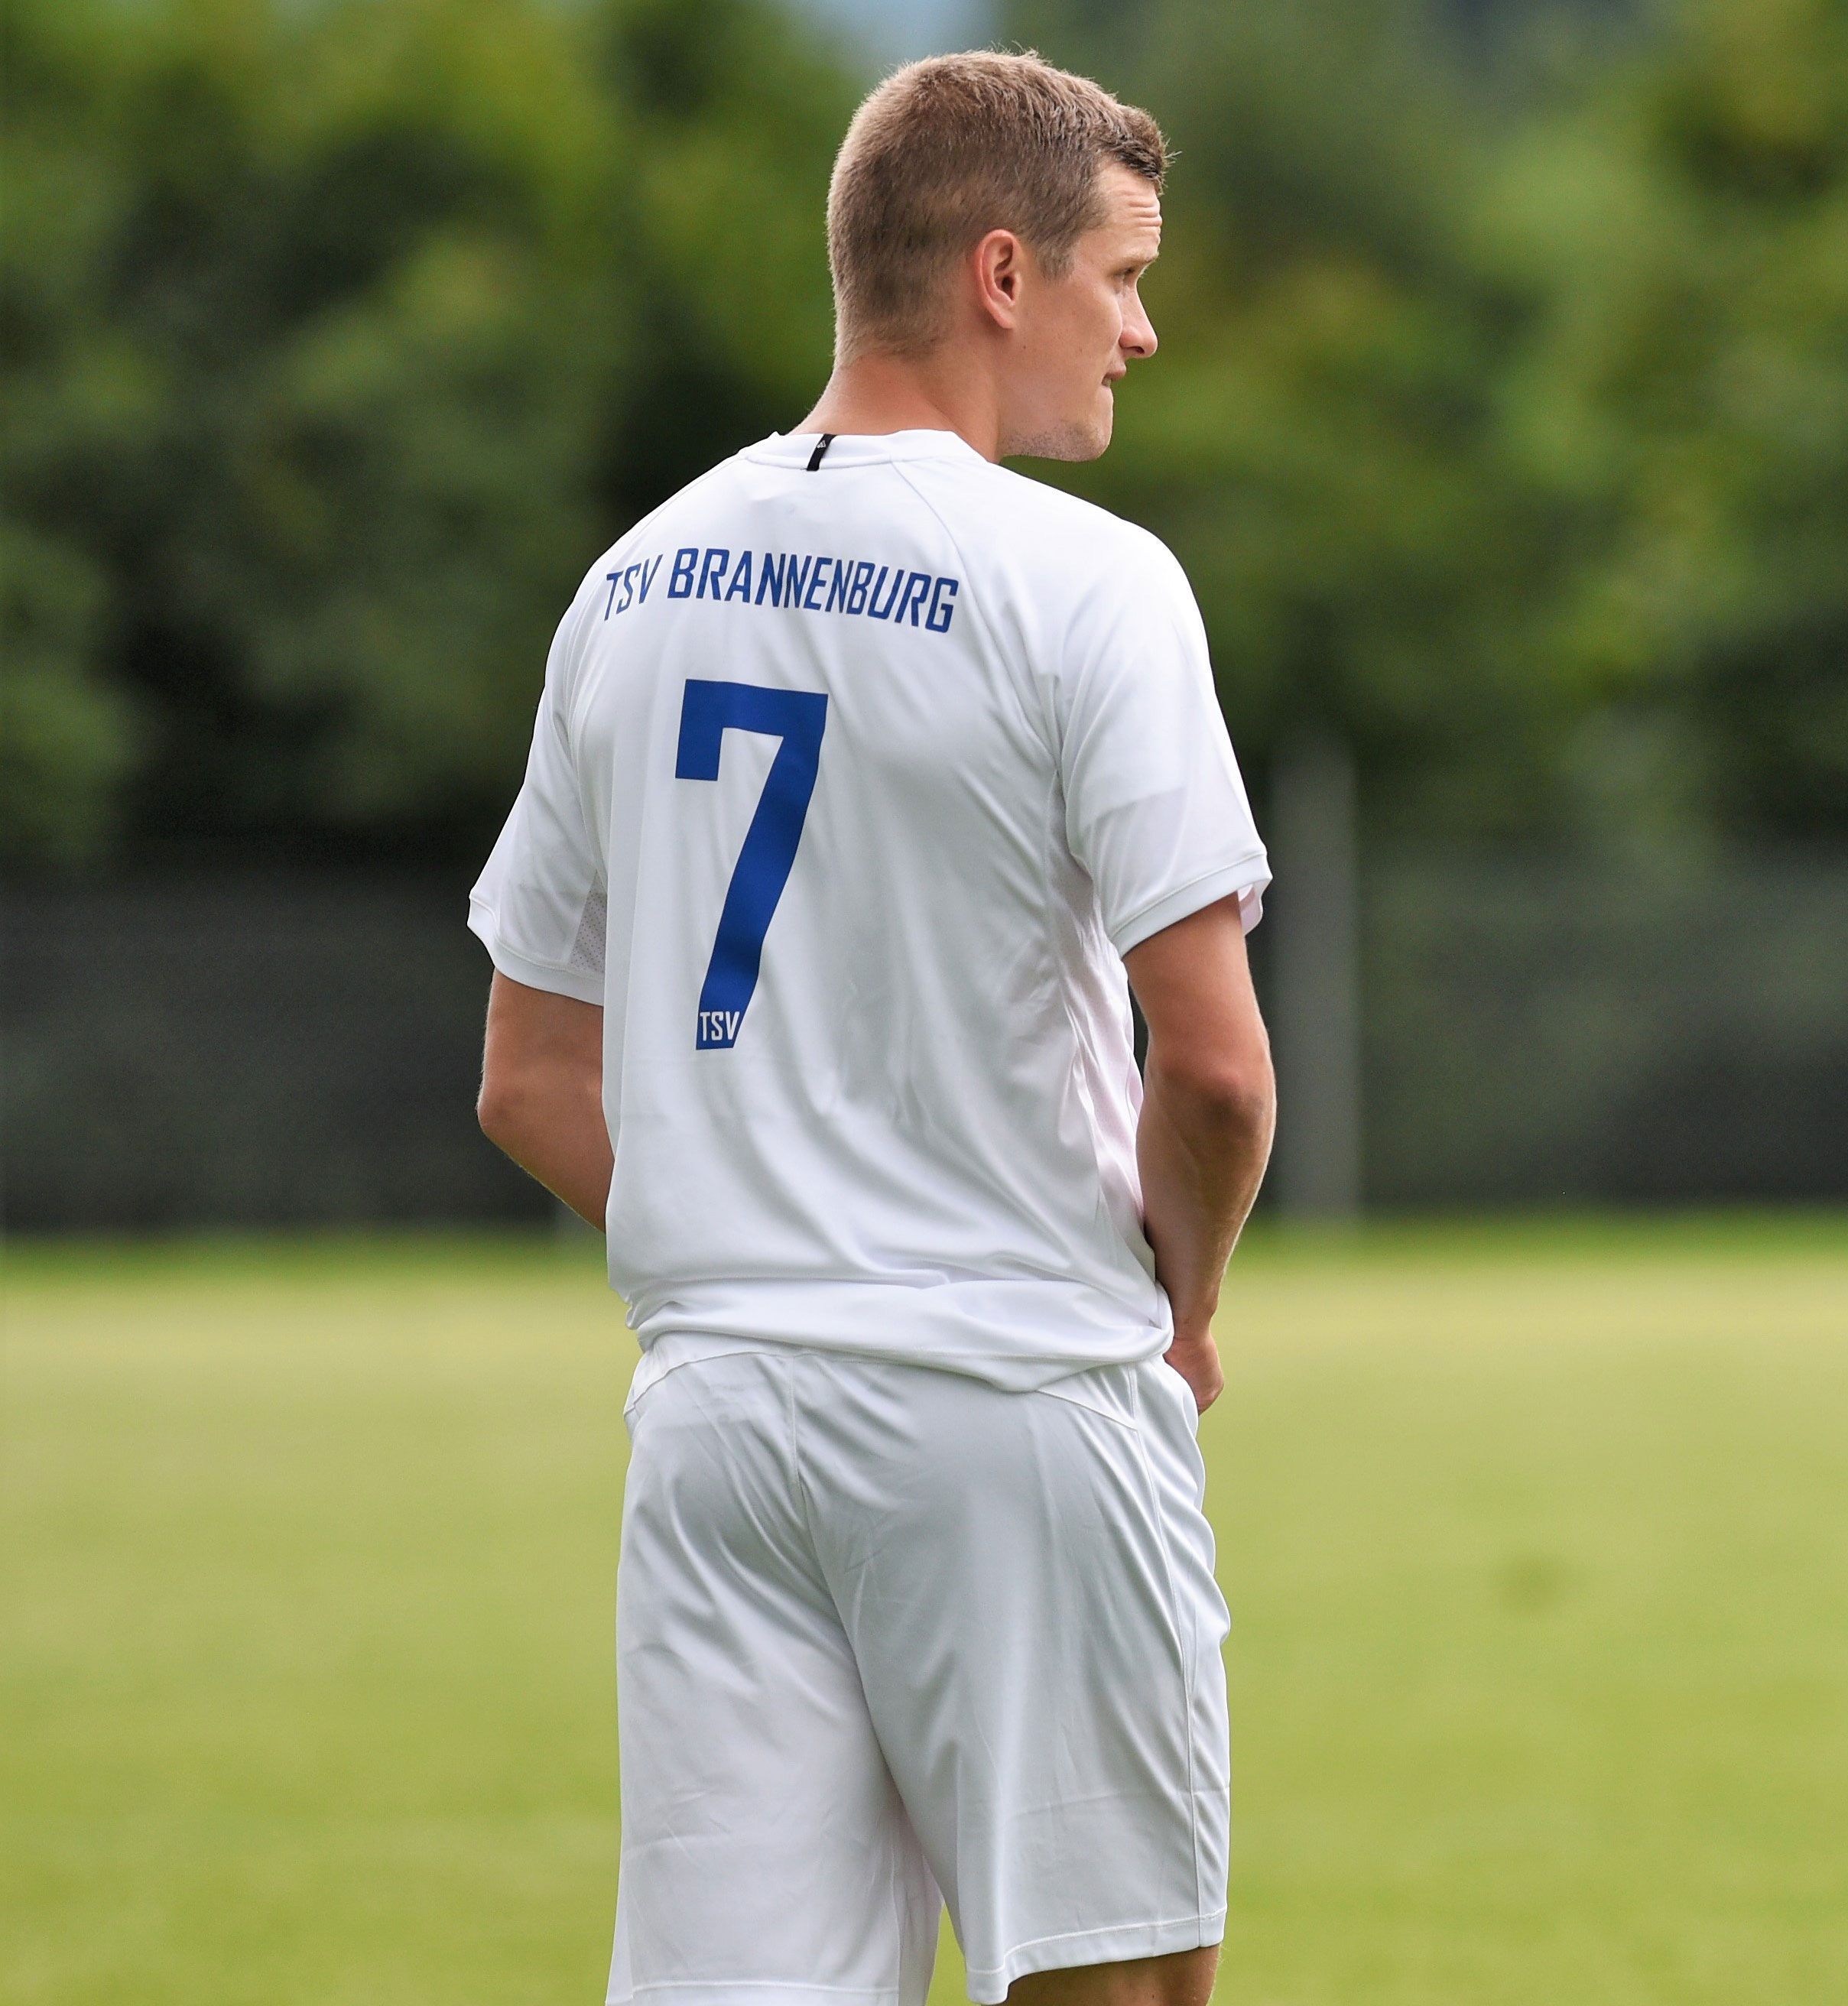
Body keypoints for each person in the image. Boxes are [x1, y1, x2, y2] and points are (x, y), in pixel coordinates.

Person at [469, 52, 1271, 2006]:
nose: (1142, 330)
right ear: (1003, 274)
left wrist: (750, 1234)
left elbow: (527, 1075)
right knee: (1119, 1982)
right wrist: (1179, 1299)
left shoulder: (631, 580)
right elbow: (1219, 1064)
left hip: (721, 1421)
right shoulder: (1090, 582)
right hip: (1009, 1390)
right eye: (1120, 276)